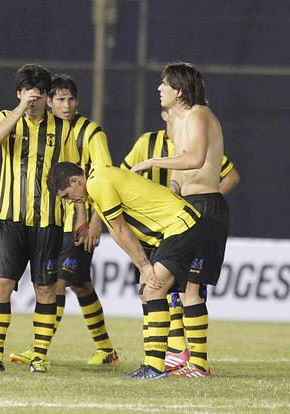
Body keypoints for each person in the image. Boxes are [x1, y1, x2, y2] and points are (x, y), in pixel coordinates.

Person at [48, 162, 203, 379]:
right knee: (146, 292)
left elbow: (121, 228)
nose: (68, 201)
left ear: (75, 181)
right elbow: (118, 233)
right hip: (171, 230)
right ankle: (152, 363)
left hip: (181, 225)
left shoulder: (97, 183)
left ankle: (157, 367)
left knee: (153, 290)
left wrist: (145, 266)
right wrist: (142, 265)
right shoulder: (95, 183)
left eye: (66, 195)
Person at [8, 74, 119, 366]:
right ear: (47, 100)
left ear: (78, 100)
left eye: (71, 98)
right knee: (80, 284)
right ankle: (106, 349)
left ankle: (38, 349)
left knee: (57, 283)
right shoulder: (43, 130)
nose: (66, 105)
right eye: (60, 99)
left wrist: (96, 221)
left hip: (79, 224)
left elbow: (104, 177)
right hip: (51, 222)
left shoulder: (92, 133)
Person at [121, 106, 240, 372]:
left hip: (199, 210)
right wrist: (173, 194)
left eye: (166, 86)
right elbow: (169, 175)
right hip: (172, 217)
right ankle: (178, 354)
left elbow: (212, 167)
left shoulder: (198, 127)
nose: (161, 91)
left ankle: (187, 360)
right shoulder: (150, 142)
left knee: (181, 289)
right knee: (166, 288)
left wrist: (154, 162)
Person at [0, 64, 79, 374]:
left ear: (46, 96)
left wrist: (81, 214)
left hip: (49, 221)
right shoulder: (5, 119)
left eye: (38, 96)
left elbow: (74, 174)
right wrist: (19, 110)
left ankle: (40, 355)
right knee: (1, 285)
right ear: (19, 94)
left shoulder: (62, 129)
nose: (33, 101)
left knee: (46, 289)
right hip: (10, 219)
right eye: (27, 95)